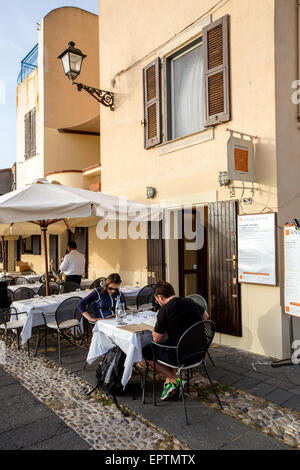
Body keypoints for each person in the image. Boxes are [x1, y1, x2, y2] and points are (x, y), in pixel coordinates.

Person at [143, 280, 209, 401]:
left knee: (147, 351)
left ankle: (174, 379)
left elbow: (157, 339)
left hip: (180, 357)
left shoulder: (165, 310)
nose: (158, 303)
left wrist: (155, 327)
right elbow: (205, 316)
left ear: (160, 297)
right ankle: (170, 386)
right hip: (199, 352)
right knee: (173, 343)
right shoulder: (190, 301)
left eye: (157, 301)